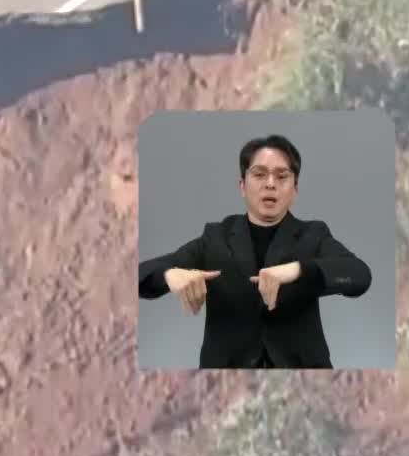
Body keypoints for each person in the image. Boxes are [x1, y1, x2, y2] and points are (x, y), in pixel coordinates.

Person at [138, 134, 372, 368]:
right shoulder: (216, 237)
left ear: (295, 189)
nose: (270, 183)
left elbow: (359, 275)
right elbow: (141, 275)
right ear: (242, 186)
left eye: (282, 176)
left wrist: (298, 270)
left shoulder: (314, 235)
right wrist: (170, 275)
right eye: (259, 174)